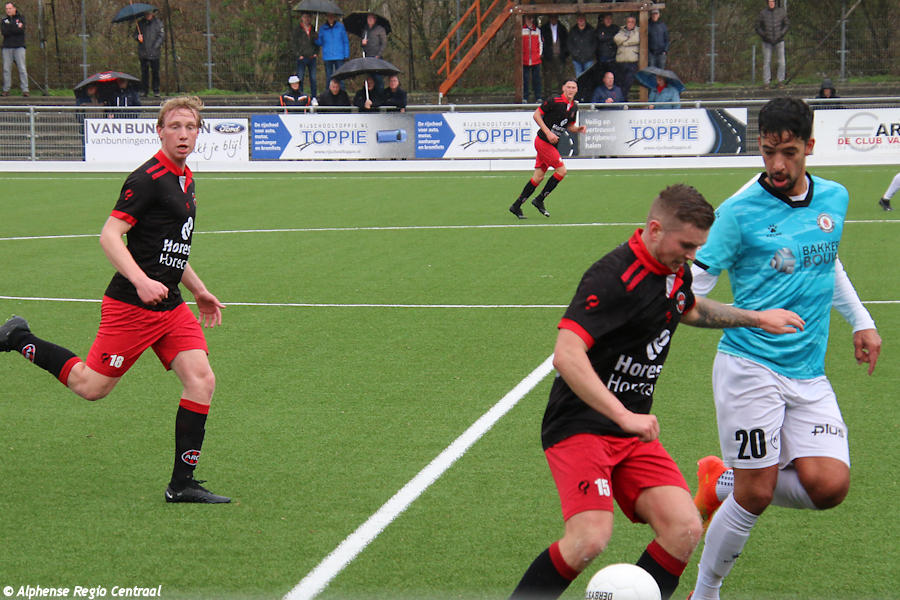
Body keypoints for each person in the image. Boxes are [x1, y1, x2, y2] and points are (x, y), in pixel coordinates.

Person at [508, 184, 805, 600]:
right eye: (686, 245)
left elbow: (690, 307)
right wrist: (623, 415)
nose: (693, 256)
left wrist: (757, 318)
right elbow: (567, 354)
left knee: (684, 528)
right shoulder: (613, 277)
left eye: (698, 247)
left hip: (630, 432)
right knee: (589, 538)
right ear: (654, 229)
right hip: (581, 425)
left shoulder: (674, 270)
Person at [688, 97, 882, 599]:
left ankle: (719, 482)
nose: (776, 164)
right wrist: (754, 319)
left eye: (789, 152)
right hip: (749, 367)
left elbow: (827, 261)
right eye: (768, 151)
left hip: (808, 371)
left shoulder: (835, 198)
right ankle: (703, 593)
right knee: (756, 493)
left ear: (810, 146)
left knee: (830, 487)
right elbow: (685, 300)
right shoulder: (736, 214)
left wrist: (861, 320)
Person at [0, 96, 231, 505]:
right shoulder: (146, 179)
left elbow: (169, 247)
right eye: (174, 126)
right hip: (132, 307)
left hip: (171, 305)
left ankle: (182, 484)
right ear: (159, 131)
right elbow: (109, 235)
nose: (183, 134)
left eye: (190, 127)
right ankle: (19, 337)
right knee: (91, 387)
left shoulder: (185, 178)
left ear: (198, 133)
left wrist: (198, 289)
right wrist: (140, 281)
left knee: (202, 380)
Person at [509, 79, 586, 219]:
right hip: (543, 141)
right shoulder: (554, 101)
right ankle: (539, 199)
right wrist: (548, 132)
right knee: (562, 171)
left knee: (538, 177)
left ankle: (516, 205)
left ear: (576, 90)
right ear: (563, 88)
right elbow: (536, 115)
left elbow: (569, 126)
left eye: (573, 87)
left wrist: (578, 129)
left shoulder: (574, 107)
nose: (570, 90)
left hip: (551, 144)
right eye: (568, 87)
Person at [755, 0, 789, 88]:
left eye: (772, 1)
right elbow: (757, 27)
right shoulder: (763, 13)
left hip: (779, 40)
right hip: (767, 41)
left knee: (782, 62)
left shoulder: (781, 12)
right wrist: (764, 35)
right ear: (767, 3)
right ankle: (766, 82)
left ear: (775, 2)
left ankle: (780, 81)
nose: (771, 3)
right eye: (770, 2)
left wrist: (781, 34)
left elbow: (786, 24)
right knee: (767, 62)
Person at [134, 10, 165, 97]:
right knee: (144, 73)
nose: (147, 15)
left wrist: (155, 46)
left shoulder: (158, 23)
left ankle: (156, 90)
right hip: (143, 52)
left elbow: (161, 36)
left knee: (155, 72)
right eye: (146, 14)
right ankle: (144, 90)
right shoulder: (140, 23)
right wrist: (138, 37)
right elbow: (135, 35)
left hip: (155, 52)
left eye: (149, 14)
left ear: (152, 14)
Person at [316, 13, 349, 90]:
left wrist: (346, 54)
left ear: (334, 17)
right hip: (327, 56)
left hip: (339, 56)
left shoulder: (340, 27)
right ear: (327, 17)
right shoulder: (322, 28)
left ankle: (342, 94)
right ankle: (328, 94)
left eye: (332, 16)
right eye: (329, 16)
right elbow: (320, 43)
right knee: (329, 77)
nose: (330, 17)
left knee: (341, 77)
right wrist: (315, 38)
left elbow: (345, 41)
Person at [1, 2, 28, 97]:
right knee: (6, 69)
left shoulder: (21, 18)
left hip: (19, 46)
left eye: (10, 8)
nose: (8, 10)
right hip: (7, 47)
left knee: (22, 68)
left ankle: (25, 89)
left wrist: (11, 28)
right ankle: (6, 89)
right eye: (6, 9)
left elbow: (21, 30)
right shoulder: (4, 20)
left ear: (14, 9)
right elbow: (4, 32)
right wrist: (15, 27)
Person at [540, 15, 567, 101]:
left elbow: (566, 42)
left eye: (555, 17)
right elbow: (542, 42)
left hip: (560, 56)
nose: (553, 19)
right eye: (552, 17)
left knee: (561, 77)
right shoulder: (544, 28)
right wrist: (545, 53)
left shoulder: (562, 28)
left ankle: (561, 95)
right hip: (548, 57)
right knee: (547, 77)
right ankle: (547, 96)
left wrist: (565, 54)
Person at [614, 15, 640, 101]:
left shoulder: (638, 31)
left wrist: (625, 42)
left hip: (632, 61)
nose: (630, 24)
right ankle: (622, 100)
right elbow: (616, 39)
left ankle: (623, 99)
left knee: (628, 81)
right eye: (629, 22)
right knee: (619, 82)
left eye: (632, 22)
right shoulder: (621, 30)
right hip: (620, 61)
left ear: (635, 23)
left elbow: (637, 39)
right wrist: (628, 38)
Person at [361, 13, 388, 90]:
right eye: (368, 18)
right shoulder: (365, 30)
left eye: (371, 18)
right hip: (367, 58)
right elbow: (362, 45)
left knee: (378, 78)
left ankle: (381, 93)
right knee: (369, 79)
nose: (370, 20)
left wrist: (378, 55)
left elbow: (384, 44)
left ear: (375, 19)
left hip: (377, 58)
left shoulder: (380, 29)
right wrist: (362, 43)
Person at [295, 11, 318, 99]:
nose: (307, 19)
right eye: (305, 17)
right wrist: (298, 54)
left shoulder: (313, 29)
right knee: (300, 78)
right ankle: (300, 96)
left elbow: (317, 43)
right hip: (302, 57)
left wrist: (316, 53)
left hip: (312, 57)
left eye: (308, 17)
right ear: (302, 18)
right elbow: (294, 43)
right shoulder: (298, 29)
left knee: (313, 78)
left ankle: (314, 97)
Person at [566, 13, 595, 79]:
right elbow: (569, 44)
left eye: (582, 18)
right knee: (579, 78)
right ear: (577, 20)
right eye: (579, 18)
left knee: (589, 78)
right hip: (577, 60)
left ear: (585, 19)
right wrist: (575, 53)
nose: (581, 20)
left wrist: (590, 53)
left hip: (588, 59)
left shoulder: (591, 30)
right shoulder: (573, 30)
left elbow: (594, 43)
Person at [521, 14, 542, 104]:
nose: (529, 20)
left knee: (536, 79)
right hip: (524, 60)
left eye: (531, 18)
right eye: (528, 18)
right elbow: (517, 44)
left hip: (535, 59)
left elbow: (540, 43)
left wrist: (538, 54)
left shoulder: (537, 31)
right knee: (525, 80)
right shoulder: (521, 31)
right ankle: (525, 97)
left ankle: (538, 97)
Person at [595, 13, 619, 83]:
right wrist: (611, 38)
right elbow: (599, 38)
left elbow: (618, 40)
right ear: (603, 20)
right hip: (602, 58)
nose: (608, 20)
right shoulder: (599, 29)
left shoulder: (616, 28)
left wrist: (605, 38)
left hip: (613, 58)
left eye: (610, 18)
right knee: (602, 77)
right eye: (606, 18)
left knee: (613, 77)